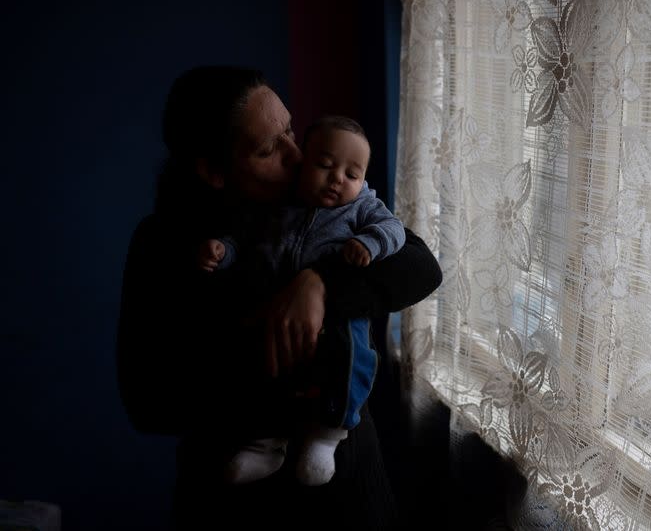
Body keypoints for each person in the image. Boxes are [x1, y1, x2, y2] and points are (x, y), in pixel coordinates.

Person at [116, 66, 442, 530]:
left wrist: (319, 285)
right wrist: (253, 336)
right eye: (269, 149)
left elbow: (422, 268)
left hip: (346, 488)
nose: (296, 154)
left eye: (290, 129)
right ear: (213, 171)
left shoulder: (329, 201)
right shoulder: (166, 245)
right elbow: (148, 401)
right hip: (233, 499)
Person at [198, 115, 406, 487]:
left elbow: (395, 232)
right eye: (325, 165)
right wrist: (222, 251)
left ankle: (327, 436)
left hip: (335, 323)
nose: (338, 178)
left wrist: (370, 243)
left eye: (352, 174)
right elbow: (243, 240)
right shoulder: (277, 206)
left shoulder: (360, 207)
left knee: (350, 356)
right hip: (268, 319)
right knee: (260, 366)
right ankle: (265, 444)